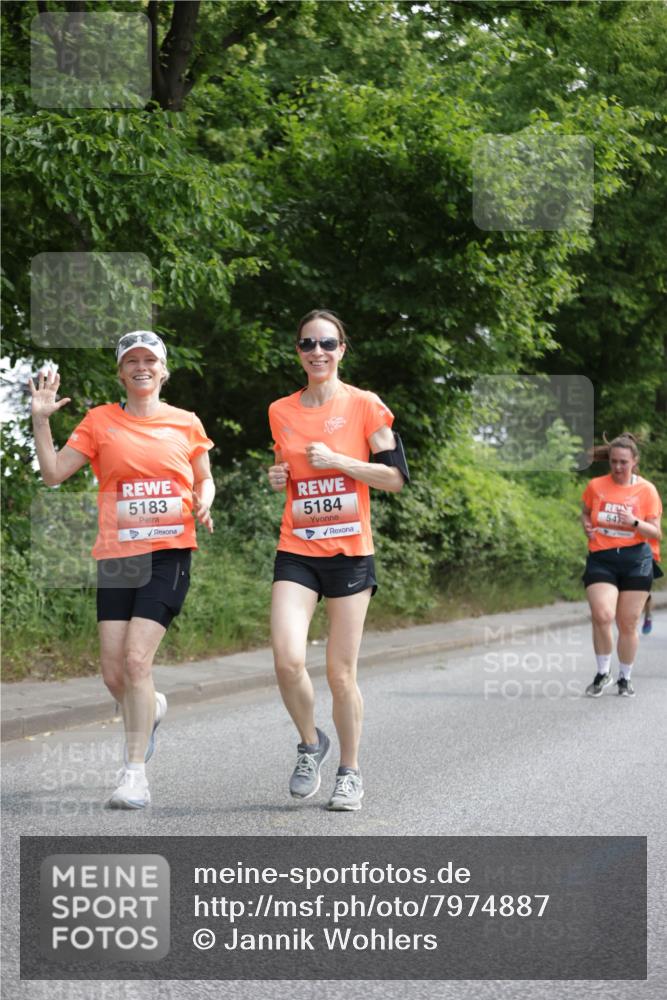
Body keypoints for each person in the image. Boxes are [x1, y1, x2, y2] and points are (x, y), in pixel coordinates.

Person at [29, 331, 214, 808]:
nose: (141, 367)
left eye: (149, 360)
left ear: (163, 369)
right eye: (131, 360)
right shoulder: (99, 421)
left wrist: (203, 503)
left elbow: (204, 478)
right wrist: (40, 421)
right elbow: (52, 473)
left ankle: (135, 775)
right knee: (114, 674)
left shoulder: (186, 422)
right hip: (117, 557)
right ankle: (149, 707)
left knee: (136, 661)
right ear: (121, 372)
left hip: (169, 554)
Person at [267, 310, 408, 811]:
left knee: (339, 674)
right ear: (299, 351)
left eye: (328, 342)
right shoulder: (280, 410)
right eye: (308, 343)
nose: (318, 351)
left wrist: (340, 461)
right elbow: (287, 465)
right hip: (298, 548)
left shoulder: (366, 406)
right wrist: (278, 477)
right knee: (286, 660)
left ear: (342, 349)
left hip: (350, 552)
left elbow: (394, 478)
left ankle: (350, 772)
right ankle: (311, 745)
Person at [581, 433, 662, 698]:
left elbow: (656, 533)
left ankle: (625, 677)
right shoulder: (596, 485)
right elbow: (586, 511)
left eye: (623, 463)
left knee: (627, 623)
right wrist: (586, 525)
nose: (617, 467)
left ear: (634, 462)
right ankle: (603, 672)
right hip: (602, 557)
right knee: (602, 615)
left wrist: (634, 523)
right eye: (614, 462)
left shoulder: (646, 490)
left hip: (636, 560)